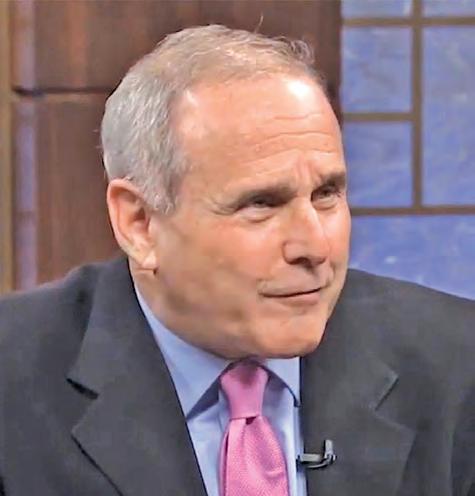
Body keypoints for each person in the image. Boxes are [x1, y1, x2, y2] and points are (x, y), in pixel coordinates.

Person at [0, 25, 474, 496]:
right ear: (140, 223)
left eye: (327, 194)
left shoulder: (457, 367)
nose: (315, 247)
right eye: (261, 204)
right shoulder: (13, 382)